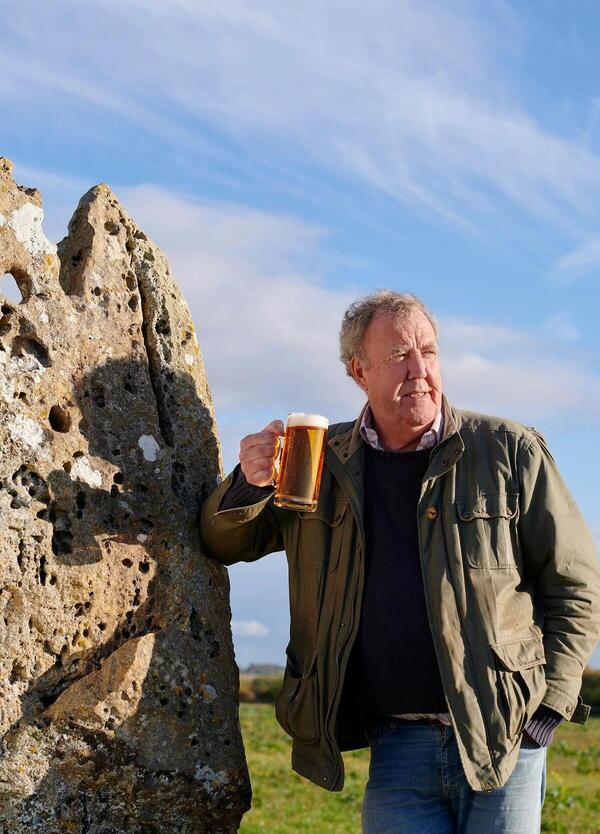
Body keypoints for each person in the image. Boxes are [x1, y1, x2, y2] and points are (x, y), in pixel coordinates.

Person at [200, 291, 600, 833]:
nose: (419, 371)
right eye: (398, 356)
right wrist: (248, 482)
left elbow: (576, 585)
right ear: (358, 371)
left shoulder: (510, 450)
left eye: (428, 353)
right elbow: (225, 544)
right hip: (399, 744)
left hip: (505, 736)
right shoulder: (317, 460)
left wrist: (550, 705)